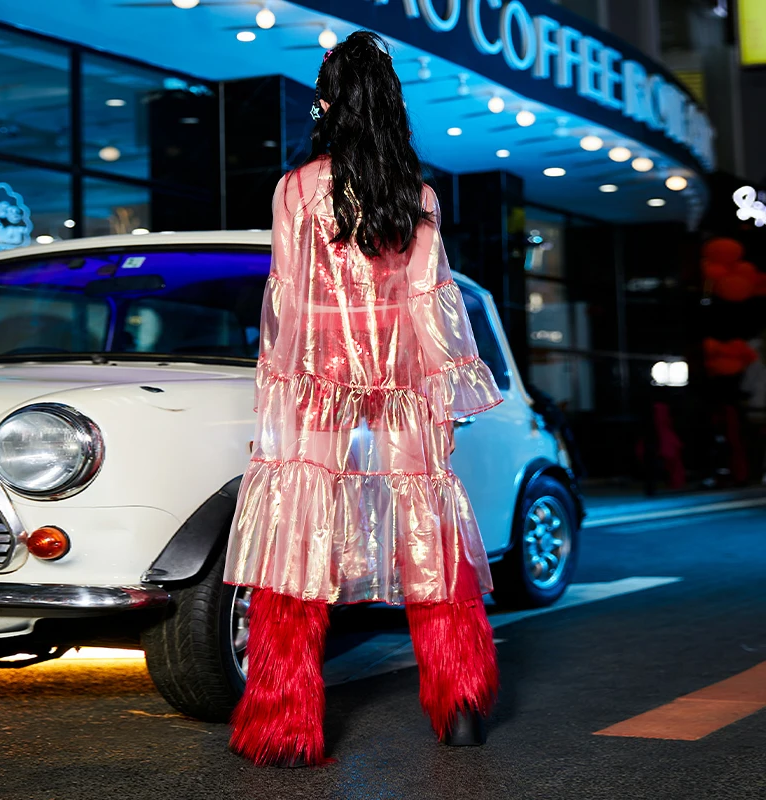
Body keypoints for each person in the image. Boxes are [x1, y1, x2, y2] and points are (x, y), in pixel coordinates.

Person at [224, 30, 503, 768]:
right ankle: (463, 706)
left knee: (296, 534)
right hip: (406, 385)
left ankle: (284, 725)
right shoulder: (418, 196)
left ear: (327, 102)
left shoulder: (297, 189)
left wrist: (279, 401)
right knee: (429, 535)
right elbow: (430, 303)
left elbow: (288, 298)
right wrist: (442, 394)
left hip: (318, 382)